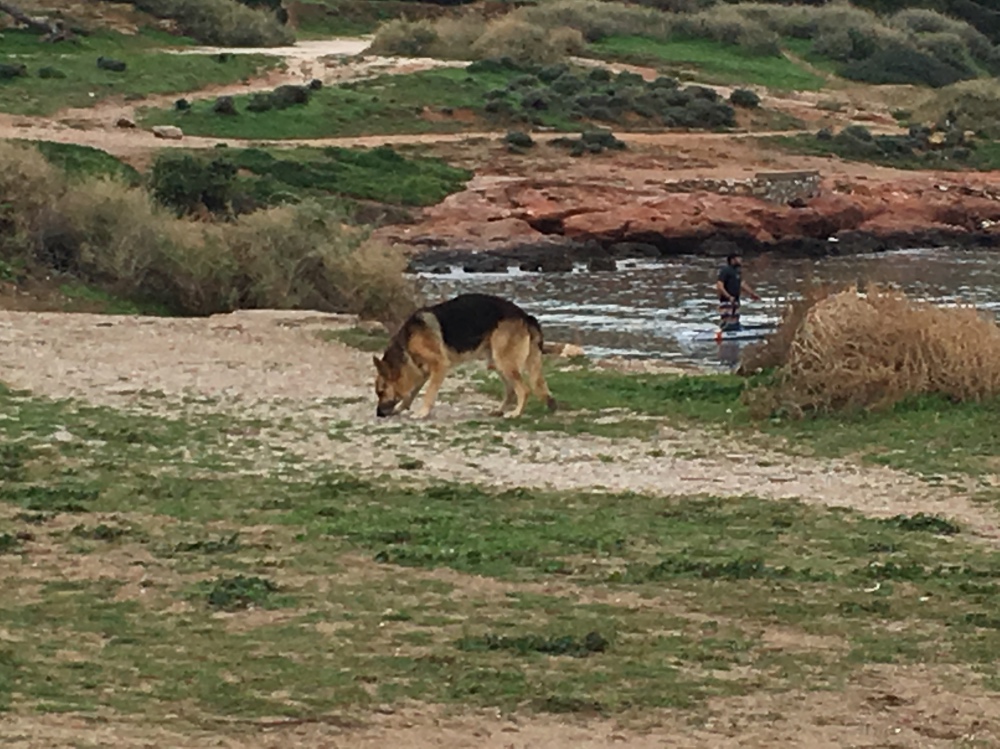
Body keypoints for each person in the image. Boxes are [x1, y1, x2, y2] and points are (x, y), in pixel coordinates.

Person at [715, 252, 760, 332]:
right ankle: (724, 334)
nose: (740, 260)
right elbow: (719, 285)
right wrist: (728, 296)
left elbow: (742, 284)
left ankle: (734, 332)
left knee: (735, 319)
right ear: (732, 260)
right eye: (738, 258)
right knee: (728, 320)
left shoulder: (737, 272)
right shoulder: (726, 270)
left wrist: (752, 294)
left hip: (735, 300)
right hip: (727, 300)